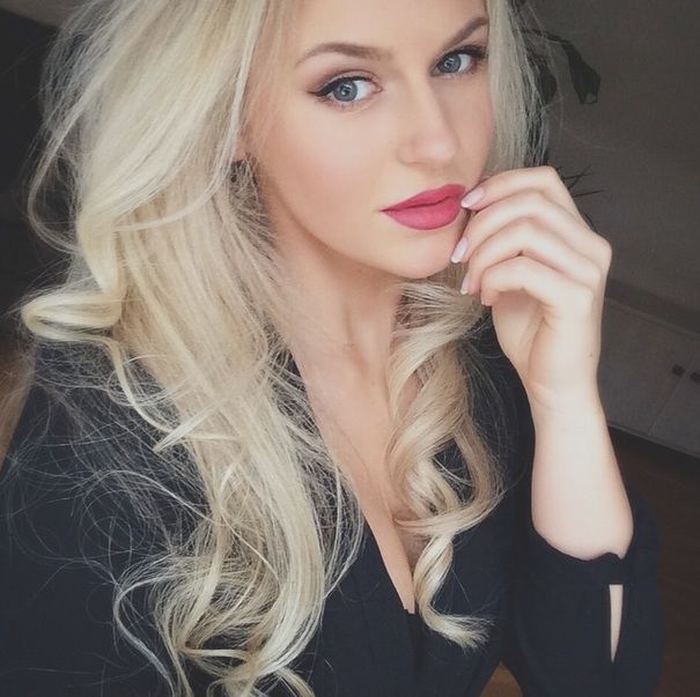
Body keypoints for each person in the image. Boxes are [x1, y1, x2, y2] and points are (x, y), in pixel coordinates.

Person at [0, 1, 664, 696]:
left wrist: (565, 399)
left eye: (456, 60)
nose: (438, 141)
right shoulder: (110, 425)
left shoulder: (484, 359)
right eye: (346, 86)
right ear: (229, 117)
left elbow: (599, 679)